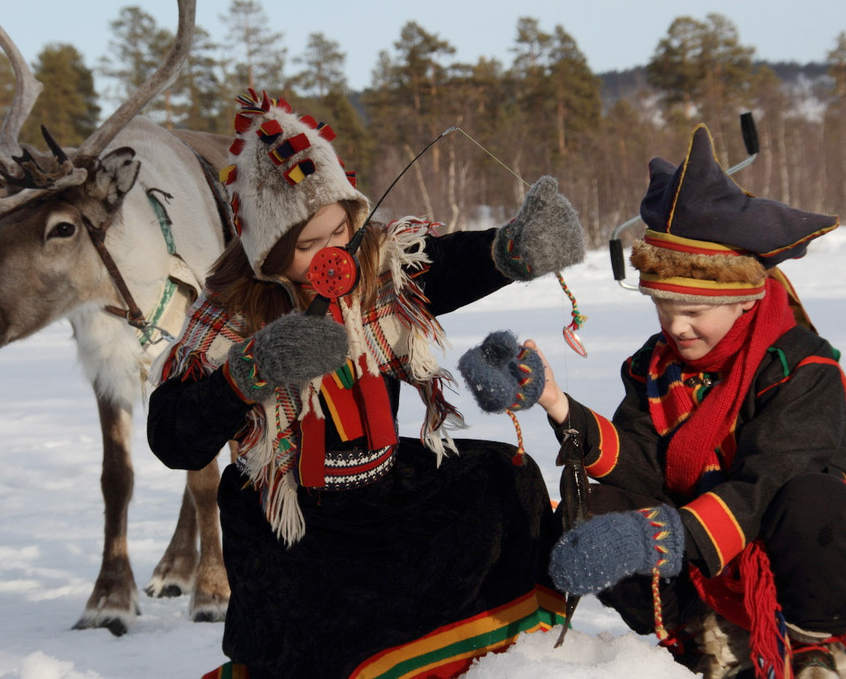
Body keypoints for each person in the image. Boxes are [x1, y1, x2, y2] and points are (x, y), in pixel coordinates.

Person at [146, 90, 584, 678]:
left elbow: (448, 264)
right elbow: (173, 438)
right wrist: (247, 372)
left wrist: (511, 249)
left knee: (506, 480)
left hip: (382, 487)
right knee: (326, 643)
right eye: (306, 246)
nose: (332, 253)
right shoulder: (229, 313)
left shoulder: (376, 265)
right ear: (266, 252)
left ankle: (513, 649)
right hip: (290, 520)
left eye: (339, 229)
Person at [528, 125, 846, 678]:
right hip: (705, 549)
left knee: (815, 503)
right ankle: (692, 632)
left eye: (693, 311)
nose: (675, 327)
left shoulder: (805, 368)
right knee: (591, 508)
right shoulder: (655, 365)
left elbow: (771, 481)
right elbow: (641, 461)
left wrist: (656, 536)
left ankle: (811, 646)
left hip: (792, 553)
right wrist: (555, 402)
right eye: (663, 307)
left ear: (743, 302)